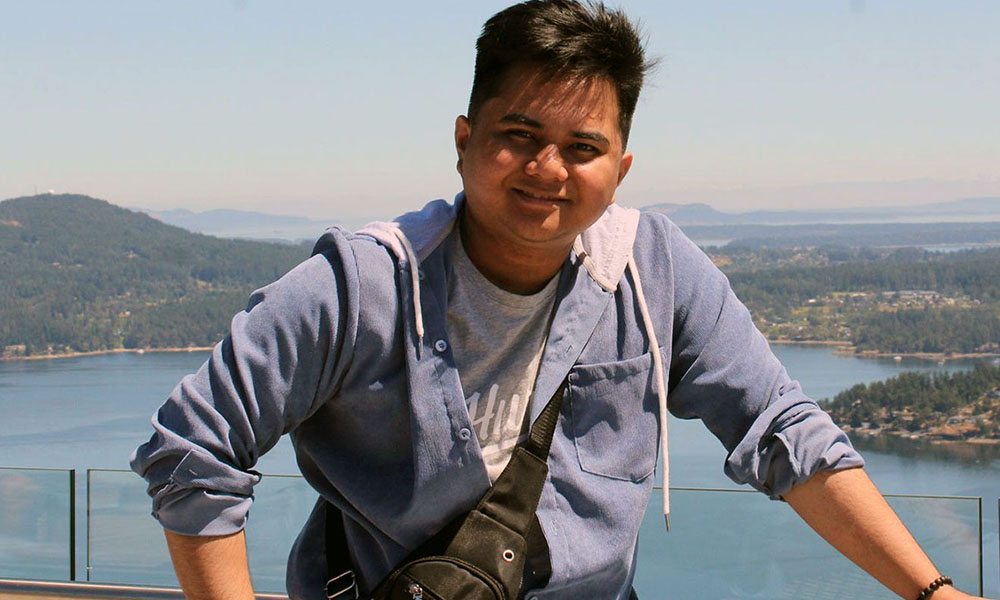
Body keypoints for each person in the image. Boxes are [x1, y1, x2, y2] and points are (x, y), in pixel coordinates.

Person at [130, 2, 984, 599]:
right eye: (519, 136)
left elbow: (782, 431)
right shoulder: (362, 286)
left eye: (582, 146)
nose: (548, 169)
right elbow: (194, 446)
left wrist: (932, 589)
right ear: (464, 140)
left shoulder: (653, 269)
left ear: (621, 167)